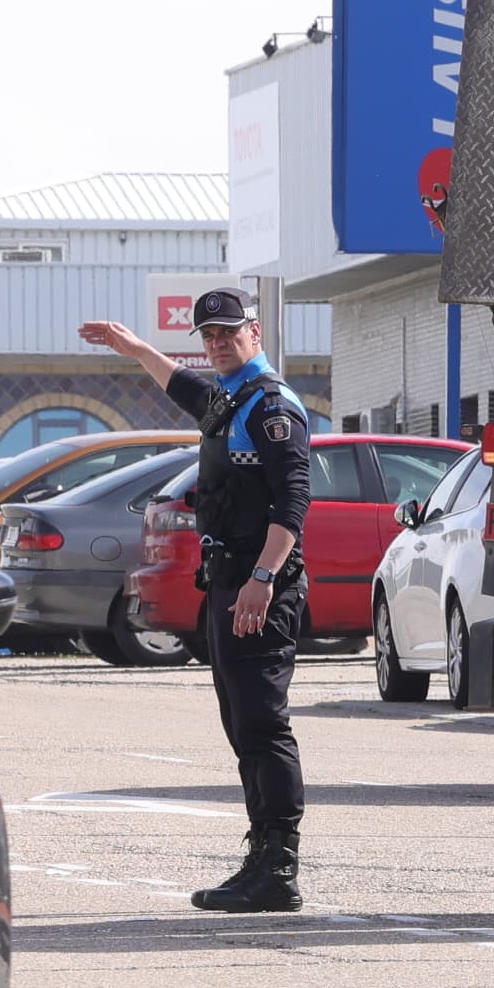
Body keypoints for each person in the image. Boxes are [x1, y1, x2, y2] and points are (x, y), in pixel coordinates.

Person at [75, 296, 313, 913]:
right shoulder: (229, 398)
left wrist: (263, 578)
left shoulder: (272, 406)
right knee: (241, 725)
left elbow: (292, 503)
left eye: (228, 333)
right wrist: (133, 349)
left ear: (254, 332)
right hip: (230, 581)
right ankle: (262, 858)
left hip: (262, 583)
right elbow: (183, 387)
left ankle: (279, 865)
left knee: (262, 723)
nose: (216, 343)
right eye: (207, 335)